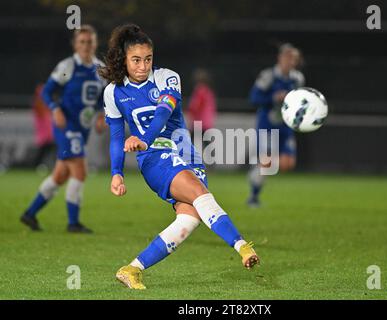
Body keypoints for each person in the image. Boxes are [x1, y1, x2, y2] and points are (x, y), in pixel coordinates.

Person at [99, 24, 259, 290]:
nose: (142, 66)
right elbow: (117, 137)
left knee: (189, 218)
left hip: (186, 152)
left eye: (147, 59)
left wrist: (142, 138)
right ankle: (242, 247)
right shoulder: (113, 92)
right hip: (154, 159)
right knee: (201, 195)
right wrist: (117, 172)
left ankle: (132, 269)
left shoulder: (167, 77)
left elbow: (164, 111)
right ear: (123, 59)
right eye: (136, 60)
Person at [21, 25, 106, 233]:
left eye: (89, 41)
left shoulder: (101, 69)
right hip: (67, 126)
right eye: (82, 42)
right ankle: (73, 223)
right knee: (80, 171)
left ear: (95, 44)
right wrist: (55, 109)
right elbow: (47, 92)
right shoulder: (68, 66)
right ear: (75, 45)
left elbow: (105, 97)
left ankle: (29, 214)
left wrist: (103, 114)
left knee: (60, 175)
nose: (86, 45)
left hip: (83, 128)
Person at [247, 43, 305, 207]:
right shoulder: (269, 76)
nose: (290, 61)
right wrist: (273, 98)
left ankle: (255, 172)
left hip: (285, 126)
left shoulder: (297, 78)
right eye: (287, 57)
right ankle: (253, 197)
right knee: (268, 164)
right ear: (280, 58)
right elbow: (254, 98)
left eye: (293, 58)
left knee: (288, 164)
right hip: (267, 126)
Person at [31, 83, 55, 168]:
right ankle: (35, 166)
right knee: (42, 152)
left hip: (49, 133)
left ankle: (40, 165)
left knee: (49, 151)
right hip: (44, 134)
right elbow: (41, 108)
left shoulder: (47, 103)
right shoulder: (38, 103)